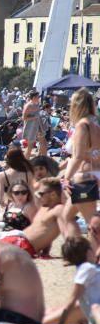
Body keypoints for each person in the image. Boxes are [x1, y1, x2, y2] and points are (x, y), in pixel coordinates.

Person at [0, 177, 74, 256]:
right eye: (38, 194)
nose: (38, 197)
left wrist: (46, 252)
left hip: (23, 244)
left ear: (53, 194)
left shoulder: (58, 210)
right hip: (17, 239)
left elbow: (66, 232)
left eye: (41, 194)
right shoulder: (44, 209)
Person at [63, 88, 100, 225]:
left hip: (84, 175)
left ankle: (90, 247)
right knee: (65, 218)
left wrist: (67, 177)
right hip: (94, 173)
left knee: (93, 225)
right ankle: (78, 246)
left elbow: (78, 157)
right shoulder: (95, 124)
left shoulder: (82, 125)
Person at [23, 91, 44, 159]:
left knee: (43, 142)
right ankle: (26, 161)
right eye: (38, 97)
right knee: (30, 146)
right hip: (30, 127)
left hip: (38, 126)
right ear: (34, 97)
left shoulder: (37, 104)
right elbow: (24, 118)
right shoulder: (28, 105)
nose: (39, 98)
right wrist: (35, 117)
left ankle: (39, 159)